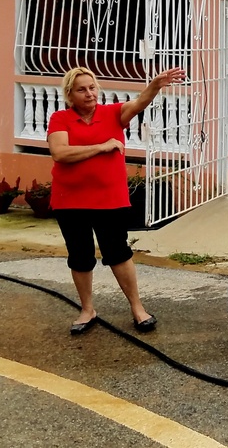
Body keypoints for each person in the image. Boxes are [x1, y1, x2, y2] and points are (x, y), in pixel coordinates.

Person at [47, 65, 186, 335]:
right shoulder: (60, 118)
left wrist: (156, 85)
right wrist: (102, 146)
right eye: (81, 90)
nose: (89, 94)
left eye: (92, 87)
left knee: (117, 253)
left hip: (109, 199)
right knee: (80, 255)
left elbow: (139, 102)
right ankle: (87, 309)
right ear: (70, 94)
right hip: (70, 200)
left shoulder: (112, 113)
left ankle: (137, 308)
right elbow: (60, 153)